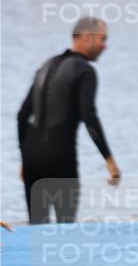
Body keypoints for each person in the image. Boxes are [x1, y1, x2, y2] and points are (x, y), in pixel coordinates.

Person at [17, 16, 121, 224]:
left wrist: (24, 158)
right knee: (65, 229)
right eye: (102, 39)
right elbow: (89, 115)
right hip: (61, 158)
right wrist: (109, 160)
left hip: (31, 159)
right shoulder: (85, 71)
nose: (105, 46)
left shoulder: (45, 66)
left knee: (37, 228)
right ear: (85, 37)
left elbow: (22, 115)